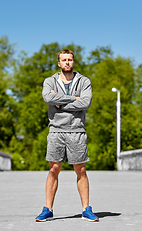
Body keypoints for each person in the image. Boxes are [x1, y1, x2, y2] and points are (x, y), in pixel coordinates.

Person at [35, 49, 99, 222]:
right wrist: (74, 100)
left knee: (81, 170)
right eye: (64, 60)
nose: (67, 63)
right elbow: (48, 98)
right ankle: (48, 209)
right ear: (59, 63)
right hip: (56, 130)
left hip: (77, 131)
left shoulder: (84, 81)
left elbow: (86, 102)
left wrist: (60, 103)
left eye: (70, 60)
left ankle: (86, 209)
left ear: (73, 62)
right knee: (53, 169)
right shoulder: (50, 81)